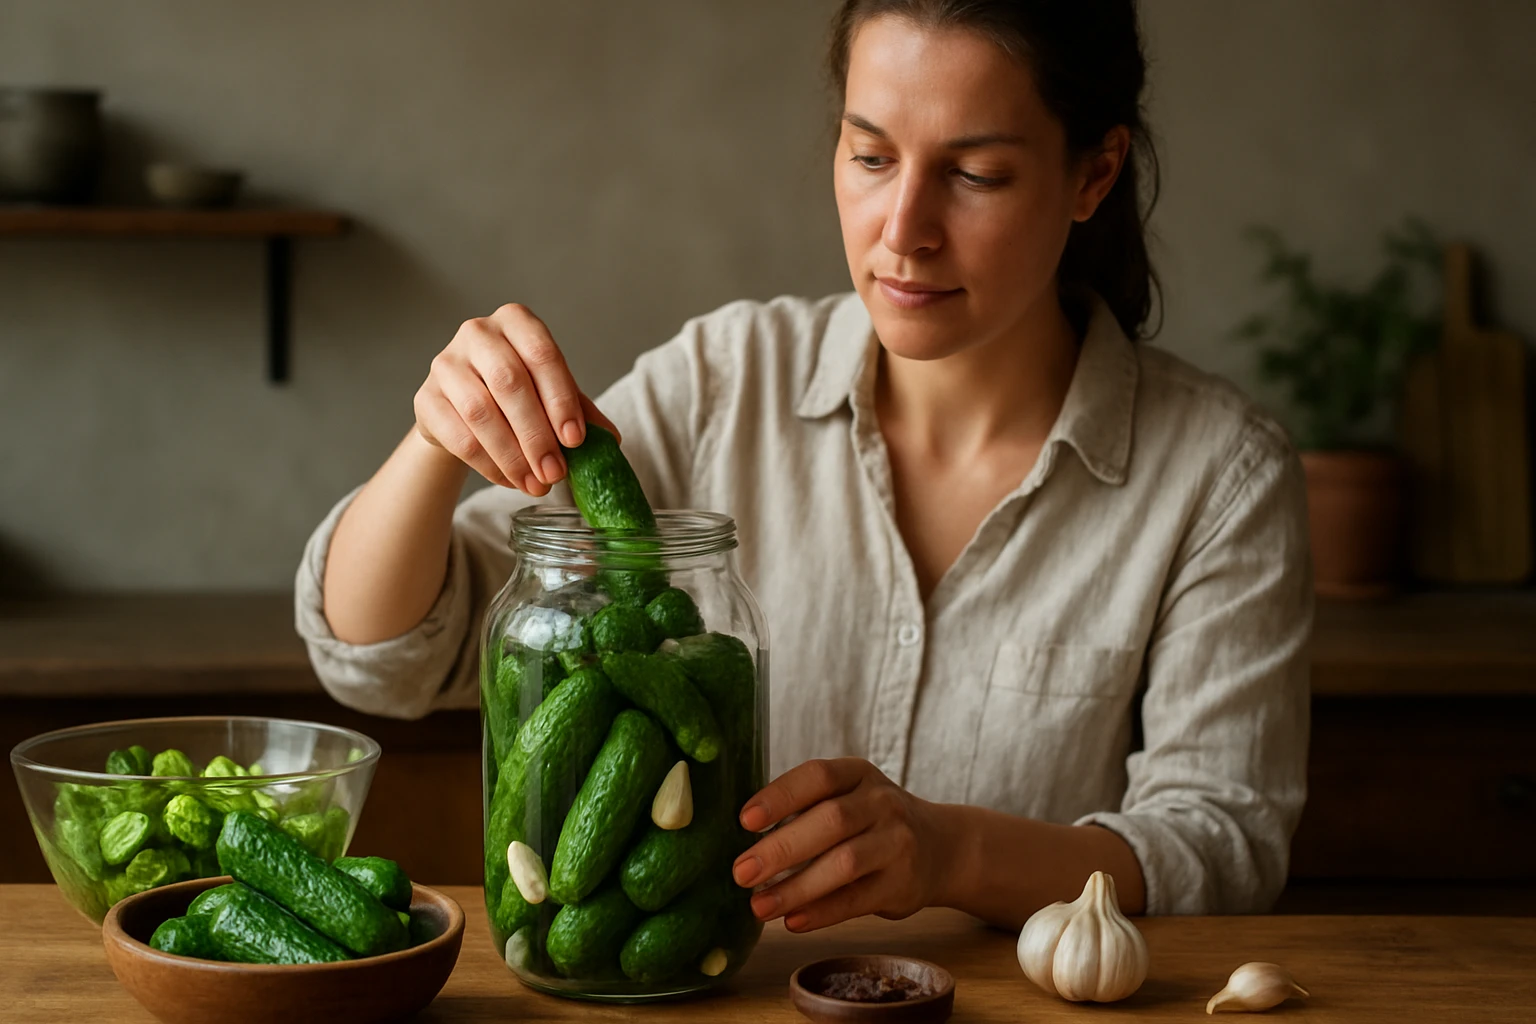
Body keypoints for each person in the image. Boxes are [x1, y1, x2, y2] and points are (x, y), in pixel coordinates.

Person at [297, 0, 1310, 933]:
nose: (903, 232)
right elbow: (387, 657)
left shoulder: (1219, 475)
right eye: (872, 157)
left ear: (1093, 173)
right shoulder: (721, 380)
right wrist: (435, 442)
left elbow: (1221, 844)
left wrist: (954, 852)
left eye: (975, 175)